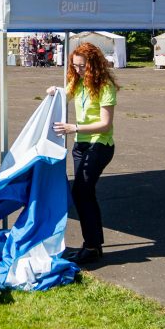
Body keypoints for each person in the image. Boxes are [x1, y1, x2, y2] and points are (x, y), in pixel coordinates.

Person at [47, 42, 119, 266]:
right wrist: (54, 91)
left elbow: (105, 124)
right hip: (81, 146)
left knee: (81, 191)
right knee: (83, 193)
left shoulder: (105, 86)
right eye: (74, 66)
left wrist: (74, 128)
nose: (77, 70)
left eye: (81, 66)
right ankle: (93, 245)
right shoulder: (77, 83)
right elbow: (63, 95)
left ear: (93, 64)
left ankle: (92, 246)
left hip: (100, 145)